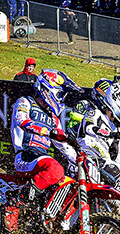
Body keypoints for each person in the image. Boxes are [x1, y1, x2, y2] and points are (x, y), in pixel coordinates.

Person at [10, 70, 80, 209]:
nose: (61, 99)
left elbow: (63, 145)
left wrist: (79, 160)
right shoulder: (25, 101)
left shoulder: (53, 117)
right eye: (60, 95)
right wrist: (48, 132)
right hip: (25, 156)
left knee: (67, 181)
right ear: (48, 89)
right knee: (56, 169)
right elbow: (22, 121)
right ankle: (18, 201)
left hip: (40, 158)